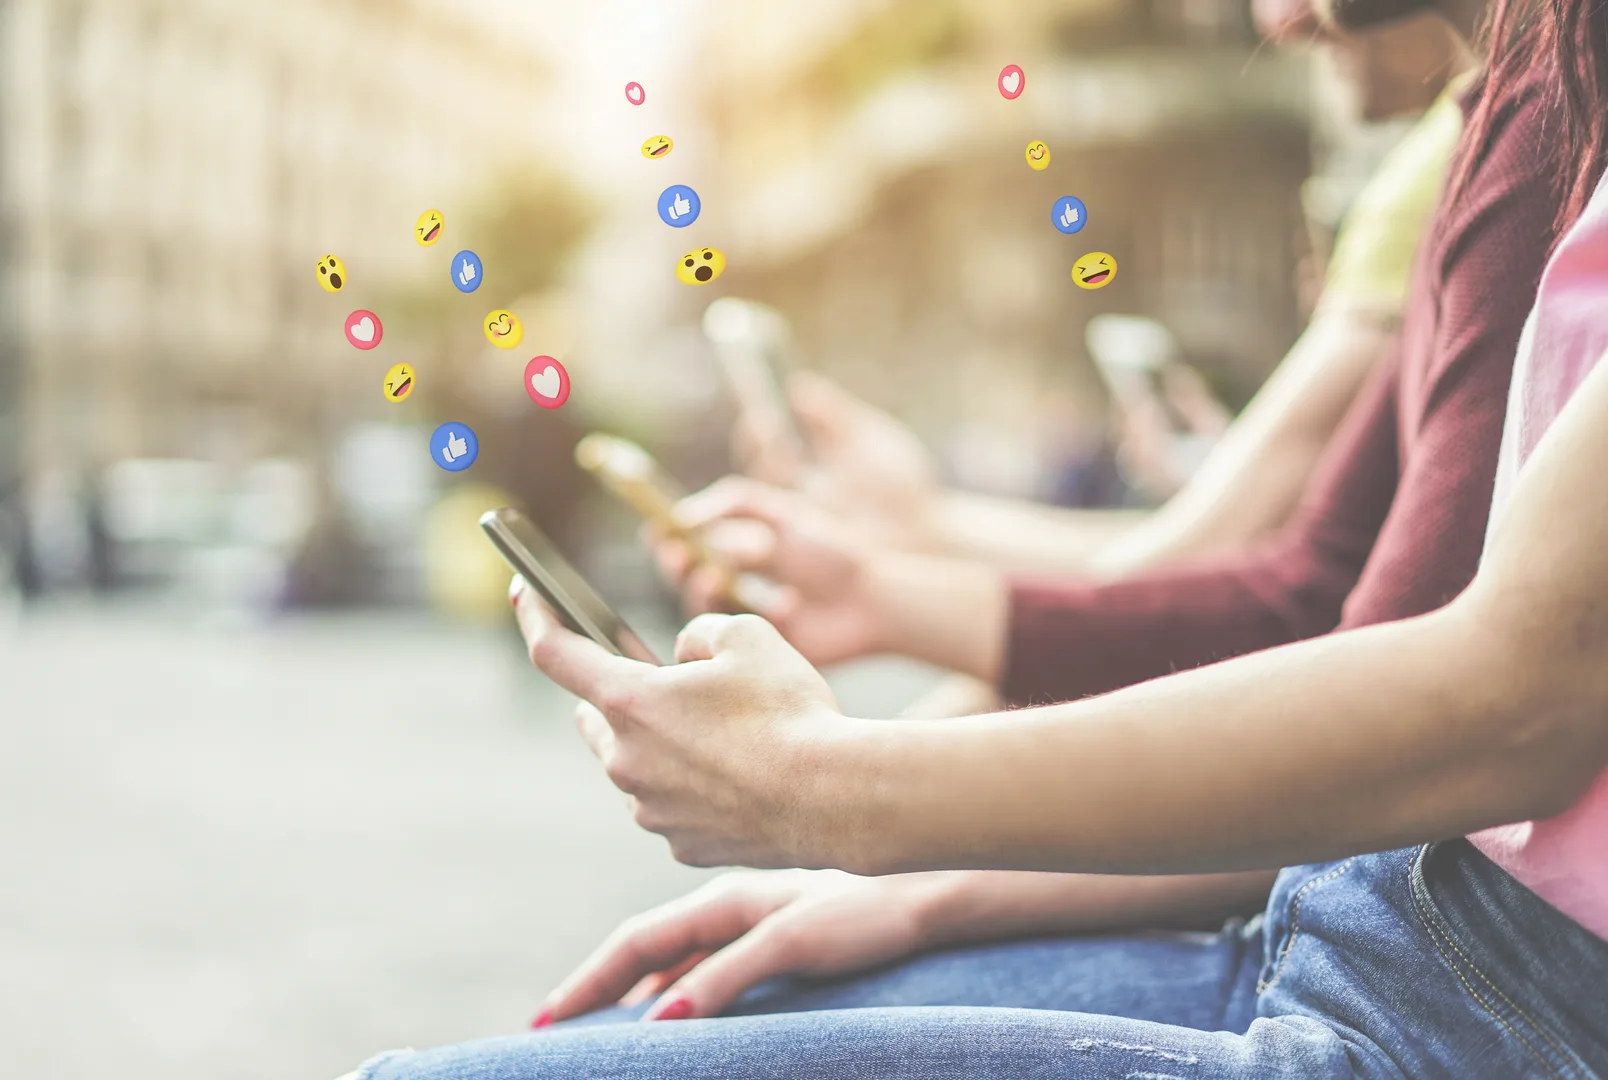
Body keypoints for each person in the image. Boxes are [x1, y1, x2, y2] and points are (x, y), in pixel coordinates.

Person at [732, 0, 1473, 579]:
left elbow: (1208, 570)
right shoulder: (1474, 139)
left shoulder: (1437, 166)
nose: (1281, 24)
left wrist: (911, 538)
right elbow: (1218, 560)